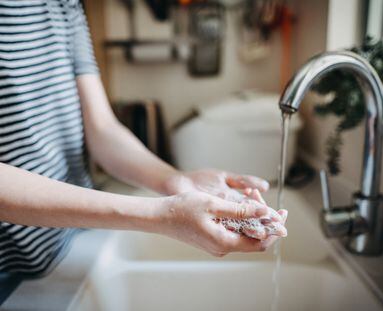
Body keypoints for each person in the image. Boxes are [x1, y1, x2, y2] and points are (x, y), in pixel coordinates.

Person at [0, 0, 287, 277]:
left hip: (66, 242)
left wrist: (175, 180)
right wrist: (162, 215)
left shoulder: (64, 3)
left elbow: (102, 128)